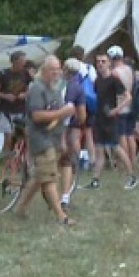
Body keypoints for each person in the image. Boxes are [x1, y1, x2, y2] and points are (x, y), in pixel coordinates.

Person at [12, 57, 76, 226]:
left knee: (39, 177)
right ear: (45, 70)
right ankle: (61, 216)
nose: (56, 73)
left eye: (58, 69)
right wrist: (63, 112)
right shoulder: (37, 89)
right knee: (49, 178)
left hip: (54, 138)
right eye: (53, 69)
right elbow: (37, 115)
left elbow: (59, 118)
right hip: (41, 139)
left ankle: (20, 208)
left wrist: (62, 139)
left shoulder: (55, 89)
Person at [88, 51, 129, 189]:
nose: (100, 64)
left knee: (116, 148)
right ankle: (95, 180)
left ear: (109, 63)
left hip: (111, 120)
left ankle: (131, 175)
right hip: (99, 119)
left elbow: (128, 97)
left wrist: (116, 110)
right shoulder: (97, 81)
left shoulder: (114, 79)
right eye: (98, 61)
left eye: (103, 61)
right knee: (99, 150)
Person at [106, 46, 139, 189]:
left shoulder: (114, 72)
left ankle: (125, 166)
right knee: (130, 136)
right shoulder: (129, 70)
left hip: (120, 106)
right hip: (131, 107)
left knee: (122, 138)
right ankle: (132, 162)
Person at [59, 58, 87, 209]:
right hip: (62, 126)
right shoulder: (77, 88)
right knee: (66, 160)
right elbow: (82, 116)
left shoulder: (54, 83)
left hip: (43, 123)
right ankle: (64, 196)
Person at [0, 50, 33, 148]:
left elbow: (31, 89)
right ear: (15, 62)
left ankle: (26, 158)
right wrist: (6, 96)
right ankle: (7, 156)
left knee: (26, 134)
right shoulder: (4, 74)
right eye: (22, 62)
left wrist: (25, 94)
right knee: (9, 135)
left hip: (21, 108)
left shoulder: (25, 73)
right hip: (6, 110)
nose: (24, 64)